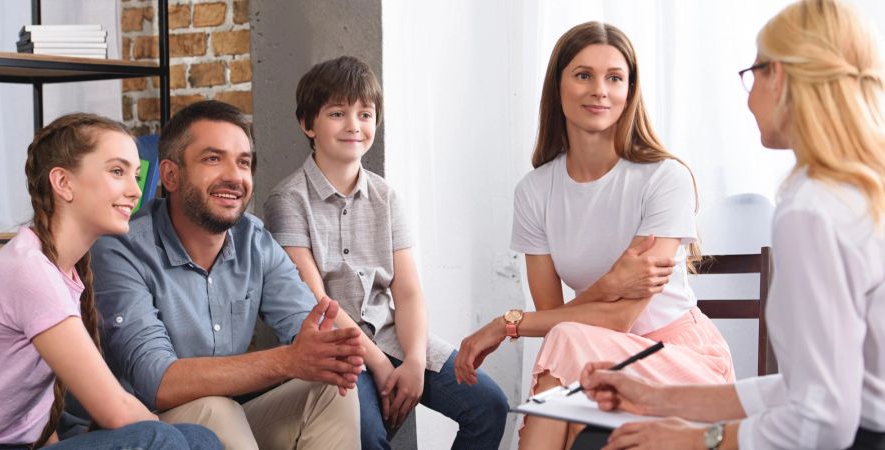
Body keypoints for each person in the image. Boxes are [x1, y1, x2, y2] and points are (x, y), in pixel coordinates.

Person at [578, 1, 885, 449]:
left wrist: (700, 440)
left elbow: (822, 422)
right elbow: (814, 387)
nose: (748, 93)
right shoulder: (854, 194)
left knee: (599, 440)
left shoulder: (811, 211)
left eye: (754, 72)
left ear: (777, 75)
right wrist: (659, 398)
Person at [454, 21, 735, 449]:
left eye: (614, 78)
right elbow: (554, 316)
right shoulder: (535, 192)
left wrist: (505, 326)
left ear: (629, 90)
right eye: (584, 75)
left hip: (679, 360)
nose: (600, 89)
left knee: (567, 345)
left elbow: (619, 318)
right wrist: (609, 285)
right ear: (558, 85)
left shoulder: (665, 178)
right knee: (567, 346)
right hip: (593, 357)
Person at [263, 55, 510, 450]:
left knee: (489, 405)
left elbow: (408, 292)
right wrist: (377, 364)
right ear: (308, 124)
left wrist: (413, 362)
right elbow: (317, 302)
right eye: (337, 113)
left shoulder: (386, 196)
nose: (353, 126)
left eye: (365, 114)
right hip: (334, 347)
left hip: (393, 336)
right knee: (367, 435)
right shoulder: (287, 200)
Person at [91, 100, 365, 450]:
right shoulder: (122, 247)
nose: (234, 177)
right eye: (212, 158)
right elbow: (155, 381)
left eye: (243, 162)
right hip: (143, 431)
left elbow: (309, 333)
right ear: (170, 175)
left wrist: (325, 351)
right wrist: (288, 360)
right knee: (217, 411)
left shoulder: (255, 240)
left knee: (331, 392)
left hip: (230, 420)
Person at [0, 113, 221, 449]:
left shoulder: (61, 270)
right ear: (63, 183)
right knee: (160, 438)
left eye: (136, 175)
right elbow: (115, 412)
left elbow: (34, 411)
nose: (134, 190)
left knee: (200, 438)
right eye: (117, 171)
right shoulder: (29, 271)